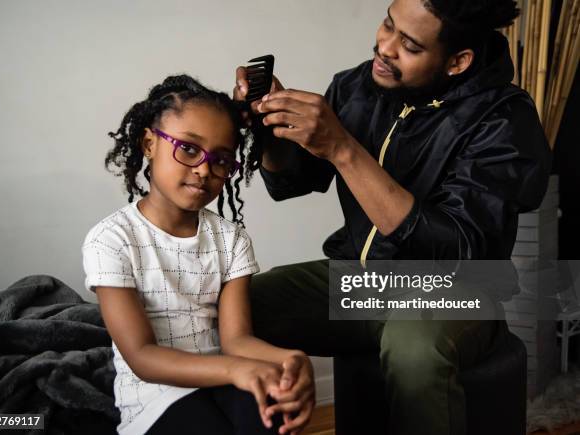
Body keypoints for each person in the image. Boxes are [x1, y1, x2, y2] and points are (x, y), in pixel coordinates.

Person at [233, 0, 552, 433]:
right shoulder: (355, 87)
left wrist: (344, 149)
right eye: (388, 24)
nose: (384, 47)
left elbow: (458, 250)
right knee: (236, 307)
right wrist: (266, 126)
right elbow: (292, 182)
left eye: (410, 44)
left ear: (457, 61)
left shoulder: (504, 119)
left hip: (456, 292)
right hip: (363, 280)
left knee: (413, 350)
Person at [82, 75, 315, 435]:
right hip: (155, 396)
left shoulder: (230, 240)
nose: (204, 169)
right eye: (188, 149)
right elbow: (142, 357)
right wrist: (235, 369)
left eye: (221, 160)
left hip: (222, 382)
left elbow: (236, 340)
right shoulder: (111, 240)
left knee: (272, 417)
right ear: (149, 144)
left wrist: (290, 360)